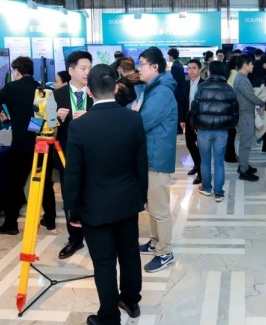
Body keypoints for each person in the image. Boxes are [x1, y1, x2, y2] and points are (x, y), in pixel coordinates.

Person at [63, 64, 147, 325]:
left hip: (94, 205)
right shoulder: (133, 119)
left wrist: (72, 211)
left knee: (104, 262)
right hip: (127, 201)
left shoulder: (80, 126)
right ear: (115, 88)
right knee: (129, 254)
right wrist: (141, 197)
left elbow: (73, 174)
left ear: (89, 91)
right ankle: (131, 300)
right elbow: (141, 164)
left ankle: (109, 316)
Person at [0, 56, 56, 235]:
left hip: (21, 145)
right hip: (43, 142)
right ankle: (50, 219)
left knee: (15, 185)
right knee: (45, 182)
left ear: (17, 72)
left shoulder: (12, 88)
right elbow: (45, 116)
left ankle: (11, 224)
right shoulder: (43, 88)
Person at [133, 47, 178, 273]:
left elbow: (143, 121)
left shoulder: (162, 93)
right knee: (151, 205)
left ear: (154, 67)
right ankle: (154, 241)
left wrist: (132, 114)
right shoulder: (152, 89)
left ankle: (165, 252)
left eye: (142, 64)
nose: (138, 68)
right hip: (150, 154)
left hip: (158, 157)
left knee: (159, 208)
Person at [52, 50, 93, 258]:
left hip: (93, 156)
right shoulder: (56, 95)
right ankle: (75, 239)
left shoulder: (97, 92)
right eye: (83, 68)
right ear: (71, 70)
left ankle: (95, 234)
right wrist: (55, 118)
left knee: (93, 196)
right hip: (66, 156)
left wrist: (91, 117)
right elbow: (36, 126)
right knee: (70, 198)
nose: (87, 73)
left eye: (89, 68)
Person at [189, 61, 239, 202]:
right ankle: (218, 193)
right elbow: (235, 111)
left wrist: (194, 126)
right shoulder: (229, 88)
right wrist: (231, 126)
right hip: (222, 130)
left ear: (209, 71)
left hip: (204, 130)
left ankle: (206, 188)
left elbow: (194, 108)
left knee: (205, 160)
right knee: (219, 162)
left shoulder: (202, 87)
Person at [233, 54, 265, 181]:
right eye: (251, 64)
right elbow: (250, 96)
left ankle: (244, 165)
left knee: (246, 143)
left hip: (246, 114)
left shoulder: (242, 77)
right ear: (245, 65)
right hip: (244, 115)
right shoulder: (241, 79)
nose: (252, 66)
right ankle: (244, 170)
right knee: (245, 144)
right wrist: (262, 103)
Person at [180, 59, 204, 184]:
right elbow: (182, 102)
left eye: (194, 68)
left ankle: (201, 173)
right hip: (188, 117)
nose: (191, 71)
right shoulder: (185, 84)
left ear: (200, 69)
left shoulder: (204, 84)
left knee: (201, 145)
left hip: (200, 118)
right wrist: (182, 119)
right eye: (189, 68)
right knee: (189, 143)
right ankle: (196, 164)